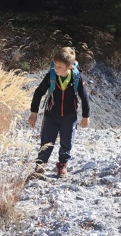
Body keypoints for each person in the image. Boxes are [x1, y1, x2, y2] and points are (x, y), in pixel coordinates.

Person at [28, 47, 90, 177]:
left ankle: (62, 164)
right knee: (46, 141)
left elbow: (84, 97)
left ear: (69, 67)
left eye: (59, 67)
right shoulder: (51, 76)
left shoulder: (77, 78)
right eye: (55, 65)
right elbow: (38, 93)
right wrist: (34, 113)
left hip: (69, 115)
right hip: (51, 114)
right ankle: (40, 166)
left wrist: (86, 116)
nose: (56, 68)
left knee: (67, 142)